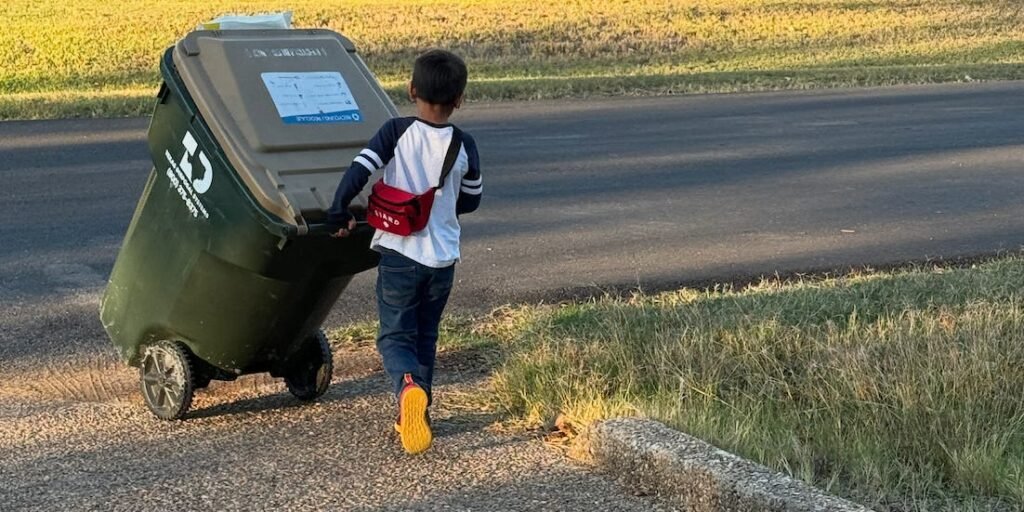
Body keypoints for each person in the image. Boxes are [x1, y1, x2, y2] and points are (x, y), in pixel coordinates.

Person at [326, 49, 482, 454]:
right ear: (460, 99)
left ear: (411, 89)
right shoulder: (465, 145)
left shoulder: (395, 131)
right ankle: (418, 416)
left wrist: (338, 210)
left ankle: (407, 388)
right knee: (426, 336)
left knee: (395, 336)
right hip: (442, 259)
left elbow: (359, 171)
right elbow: (471, 201)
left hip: (399, 253)